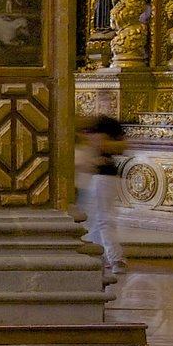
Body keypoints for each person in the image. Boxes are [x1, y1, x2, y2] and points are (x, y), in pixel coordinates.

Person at [76, 113, 127, 276]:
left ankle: (116, 258)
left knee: (103, 219)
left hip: (102, 177)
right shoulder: (101, 124)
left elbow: (102, 146)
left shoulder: (99, 125)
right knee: (97, 220)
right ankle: (100, 255)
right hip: (106, 176)